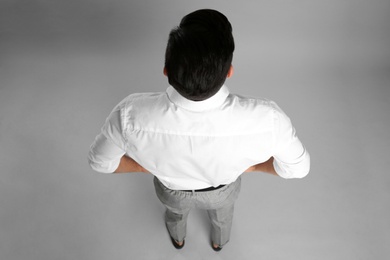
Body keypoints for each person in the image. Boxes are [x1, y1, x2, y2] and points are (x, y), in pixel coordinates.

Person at [88, 9, 310, 251]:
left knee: (175, 214)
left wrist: (145, 166)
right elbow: (298, 169)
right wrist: (255, 166)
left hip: (171, 191)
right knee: (223, 217)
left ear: (166, 69)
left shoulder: (128, 114)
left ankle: (178, 239)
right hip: (222, 192)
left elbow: (100, 163)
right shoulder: (269, 119)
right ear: (229, 71)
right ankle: (219, 242)